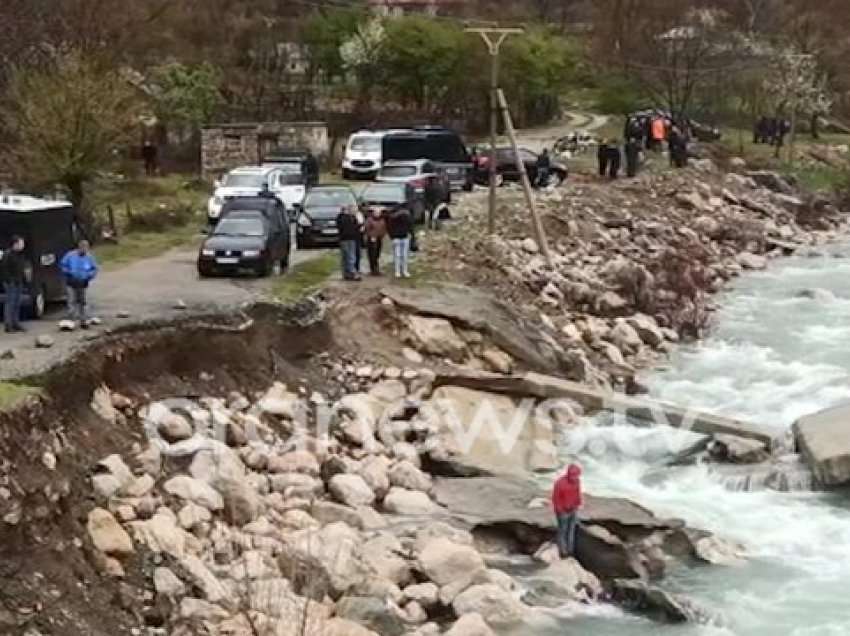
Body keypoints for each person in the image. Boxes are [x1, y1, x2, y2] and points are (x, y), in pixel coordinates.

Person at [60, 239, 98, 327]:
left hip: (83, 283)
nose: (84, 250)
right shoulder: (70, 255)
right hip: (71, 282)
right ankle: (71, 320)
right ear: (79, 247)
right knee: (71, 301)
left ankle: (83, 321)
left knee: (83, 302)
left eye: (86, 248)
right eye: (83, 248)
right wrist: (68, 272)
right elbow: (63, 265)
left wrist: (89, 276)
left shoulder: (89, 257)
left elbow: (94, 269)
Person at [552, 463, 582, 558]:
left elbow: (578, 493)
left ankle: (570, 550)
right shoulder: (560, 483)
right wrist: (560, 510)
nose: (575, 477)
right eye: (573, 475)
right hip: (563, 512)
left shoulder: (577, 481)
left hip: (573, 509)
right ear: (569, 474)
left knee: (571, 530)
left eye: (576, 475)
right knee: (562, 531)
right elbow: (555, 499)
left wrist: (578, 504)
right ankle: (563, 552)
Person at [1, 236, 27, 333]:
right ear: (15, 244)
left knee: (17, 303)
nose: (23, 245)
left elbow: (21, 268)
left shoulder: (20, 255)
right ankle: (8, 325)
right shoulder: (8, 254)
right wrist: (9, 280)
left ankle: (16, 323)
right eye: (21, 243)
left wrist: (23, 279)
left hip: (18, 281)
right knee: (10, 303)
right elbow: (4, 269)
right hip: (10, 282)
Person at [386, 204, 413, 279]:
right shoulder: (406, 215)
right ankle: (402, 271)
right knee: (402, 255)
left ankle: (400, 271)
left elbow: (410, 226)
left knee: (399, 255)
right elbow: (410, 226)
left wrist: (392, 236)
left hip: (400, 237)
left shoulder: (392, 216)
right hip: (400, 237)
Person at [336, 206, 361, 281]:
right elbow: (343, 227)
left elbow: (355, 227)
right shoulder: (342, 218)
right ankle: (351, 273)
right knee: (348, 256)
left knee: (349, 256)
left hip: (352, 239)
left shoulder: (352, 218)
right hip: (345, 239)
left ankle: (348, 273)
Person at [364, 207, 387, 276]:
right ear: (373, 213)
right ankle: (373, 269)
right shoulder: (369, 220)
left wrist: (382, 235)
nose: (377, 214)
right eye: (376, 212)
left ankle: (376, 269)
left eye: (378, 213)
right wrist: (371, 236)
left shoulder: (382, 220)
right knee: (372, 254)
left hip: (379, 238)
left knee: (377, 253)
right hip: (372, 239)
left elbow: (384, 229)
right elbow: (367, 229)